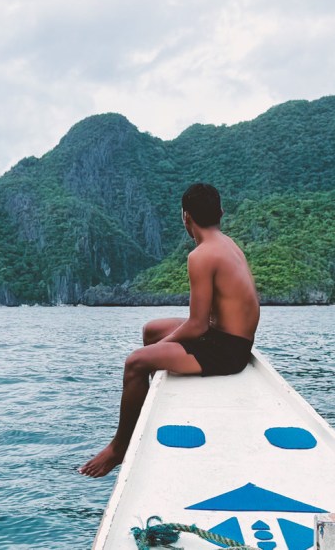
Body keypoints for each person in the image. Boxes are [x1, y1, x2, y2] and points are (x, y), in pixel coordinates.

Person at [78, 183, 260, 478]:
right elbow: (204, 321)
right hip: (228, 338)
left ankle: (119, 447)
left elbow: (197, 325)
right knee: (152, 330)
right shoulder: (227, 244)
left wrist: (156, 350)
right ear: (221, 213)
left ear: (185, 217)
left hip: (227, 352)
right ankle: (147, 412)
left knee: (136, 362)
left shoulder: (201, 256)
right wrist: (161, 343)